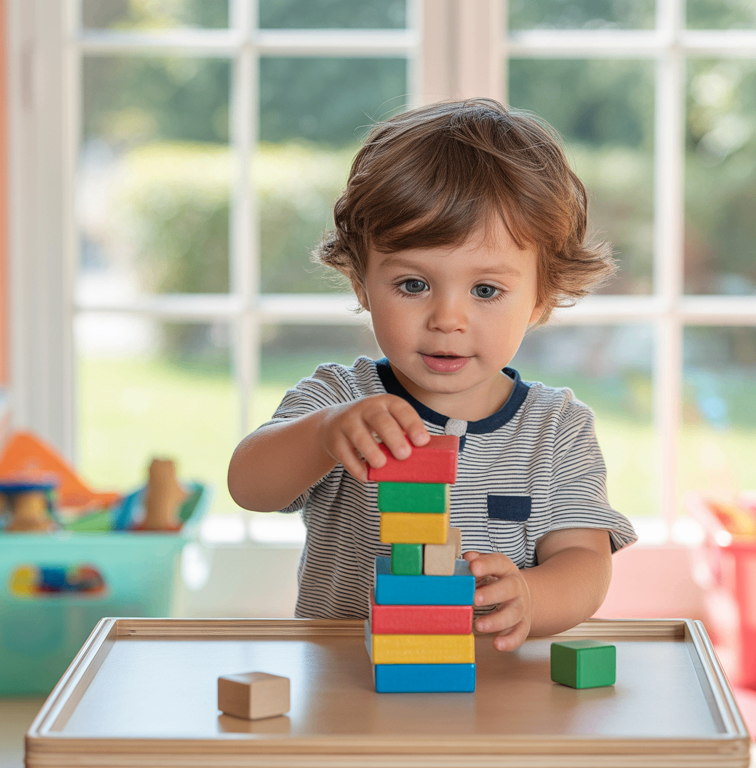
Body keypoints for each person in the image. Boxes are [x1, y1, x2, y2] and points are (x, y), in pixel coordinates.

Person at [228, 98, 637, 651]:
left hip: (493, 692)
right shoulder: (341, 399)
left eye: (486, 290)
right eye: (413, 285)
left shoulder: (555, 429)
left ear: (541, 298)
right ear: (362, 285)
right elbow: (250, 486)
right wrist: (324, 433)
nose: (448, 319)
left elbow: (585, 562)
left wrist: (532, 597)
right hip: (353, 680)